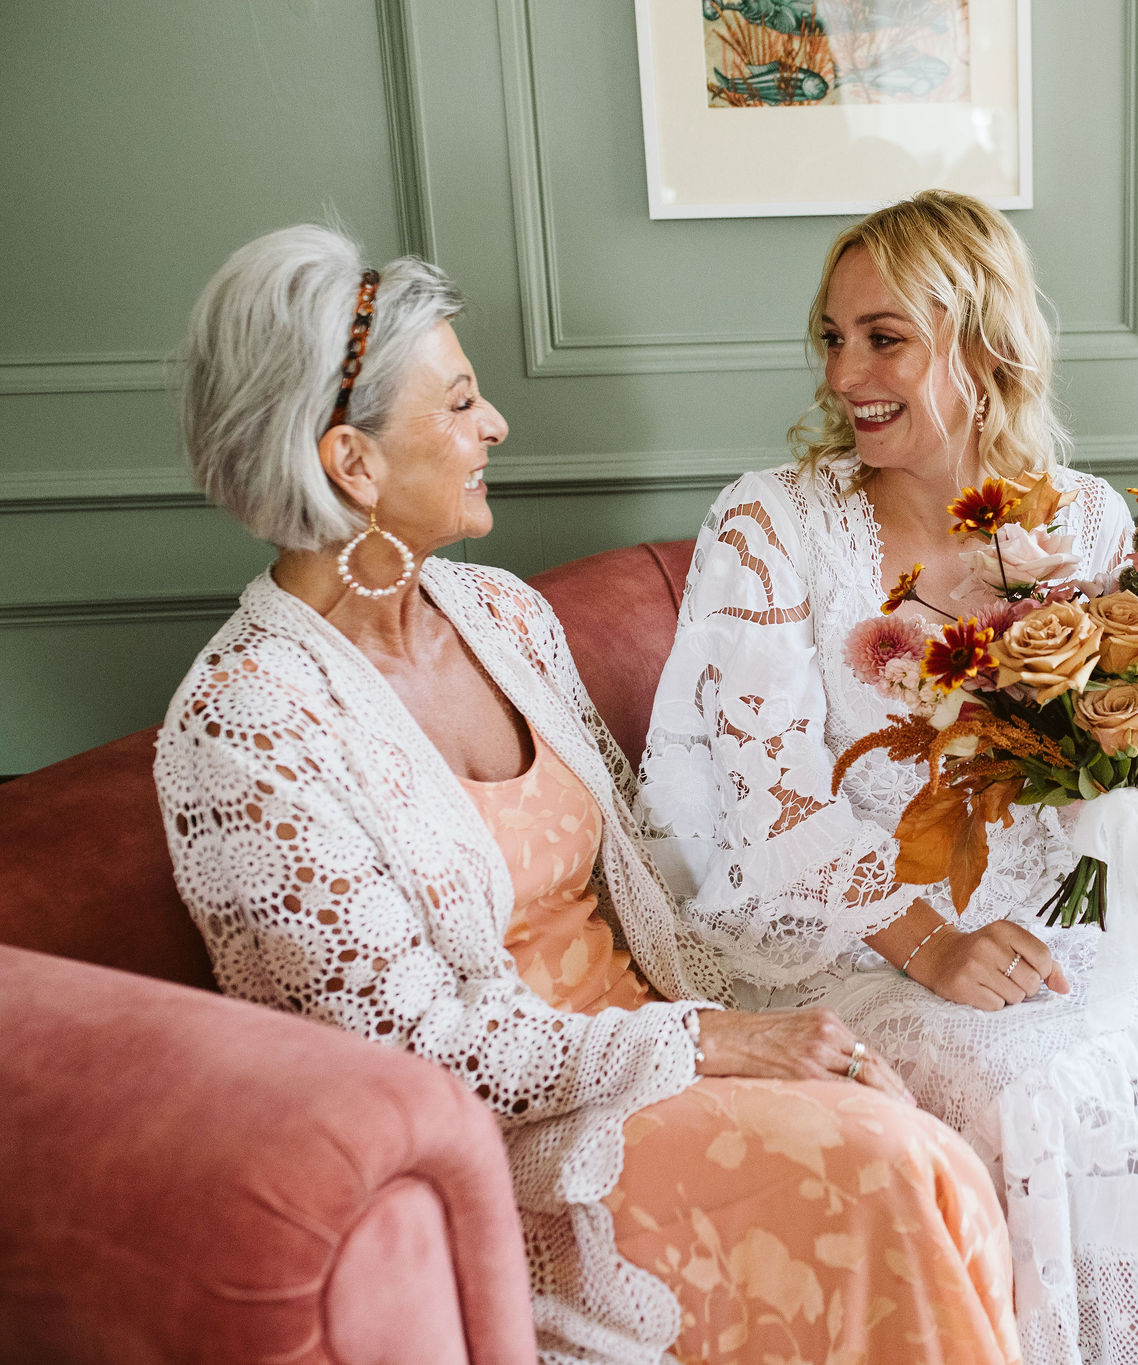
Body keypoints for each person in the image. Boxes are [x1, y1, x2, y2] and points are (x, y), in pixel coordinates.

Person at [154, 225, 1021, 1365]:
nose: (494, 427)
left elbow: (646, 889)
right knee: (888, 1169)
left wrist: (818, 989)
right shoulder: (247, 724)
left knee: (931, 1139)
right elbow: (407, 1058)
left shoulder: (500, 614)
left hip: (652, 1035)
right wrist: (709, 1044)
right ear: (351, 465)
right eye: (459, 404)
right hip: (519, 1137)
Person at [637, 191, 1138, 1364]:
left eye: (883, 335)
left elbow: (1123, 761)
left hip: (1048, 922)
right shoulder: (769, 524)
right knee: (1031, 1102)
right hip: (842, 939)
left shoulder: (1086, 522)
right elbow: (765, 811)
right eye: (833, 337)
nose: (847, 372)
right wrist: (924, 943)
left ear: (980, 341)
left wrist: (1129, 842)